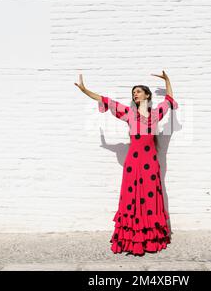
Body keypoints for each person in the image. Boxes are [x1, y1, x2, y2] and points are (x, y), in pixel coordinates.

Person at [74, 70, 179, 256]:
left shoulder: (156, 114)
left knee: (150, 195)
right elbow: (105, 100)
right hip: (133, 163)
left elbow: (169, 99)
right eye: (133, 92)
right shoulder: (128, 113)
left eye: (138, 91)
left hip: (151, 162)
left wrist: (167, 80)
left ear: (147, 94)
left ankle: (151, 238)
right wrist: (84, 89)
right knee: (131, 197)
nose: (135, 94)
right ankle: (131, 238)